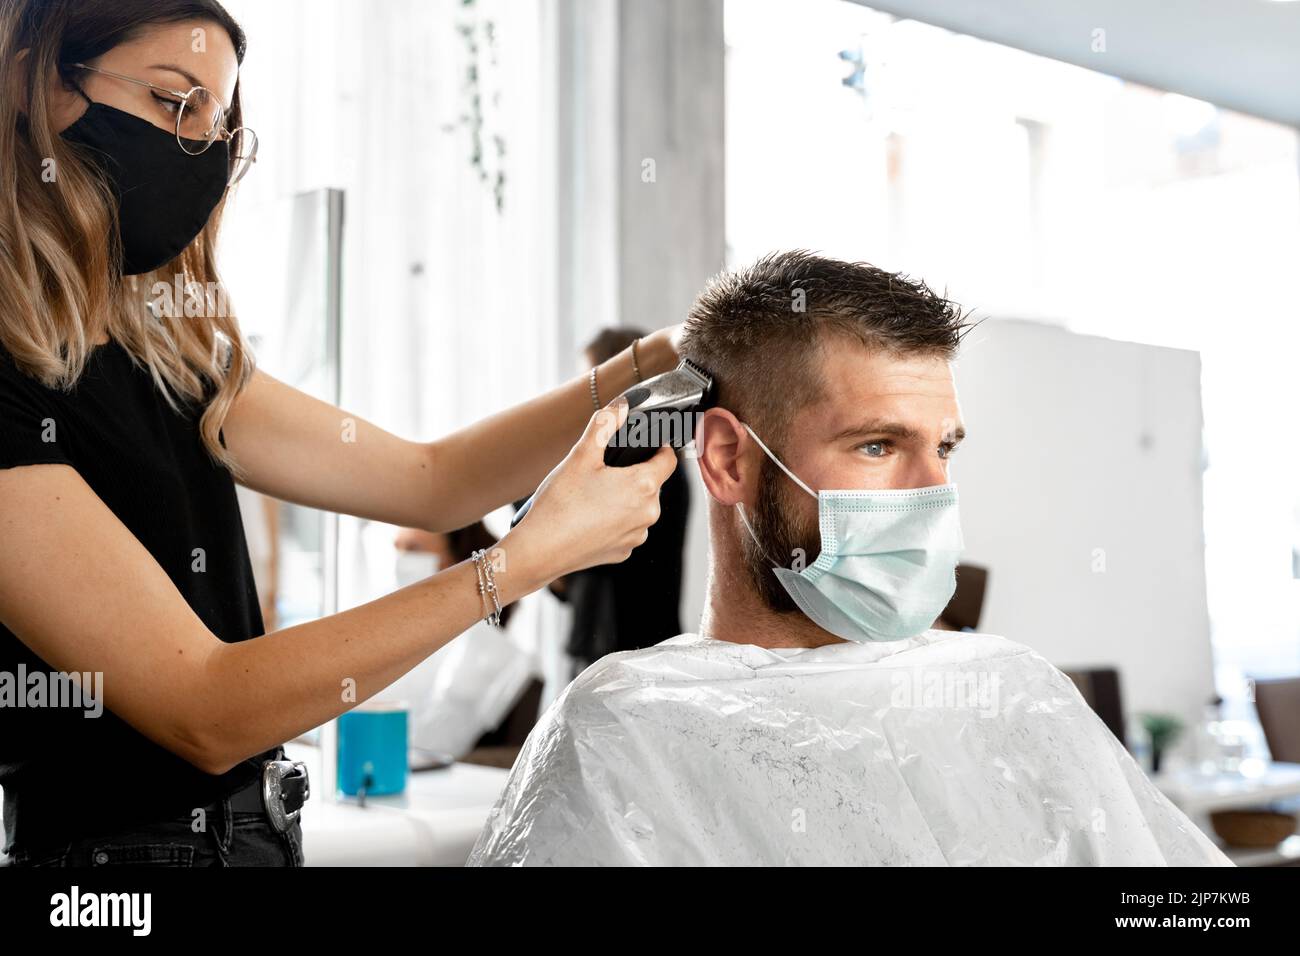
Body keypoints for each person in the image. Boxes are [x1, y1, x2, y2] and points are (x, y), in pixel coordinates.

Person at [0, 0, 682, 867]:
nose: (201, 151)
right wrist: (521, 563)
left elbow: (433, 478)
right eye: (176, 105)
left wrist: (643, 363)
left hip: (257, 838)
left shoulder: (173, 360)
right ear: (46, 84)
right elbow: (205, 710)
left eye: (220, 124)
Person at [468, 251, 1233, 867]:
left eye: (943, 449)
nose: (935, 492)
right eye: (878, 445)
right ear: (730, 460)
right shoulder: (624, 730)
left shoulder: (1014, 691)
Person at [544, 327, 691, 674]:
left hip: (618, 654)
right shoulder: (662, 465)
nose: (580, 401)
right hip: (620, 648)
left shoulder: (642, 470)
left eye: (590, 386)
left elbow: (584, 558)